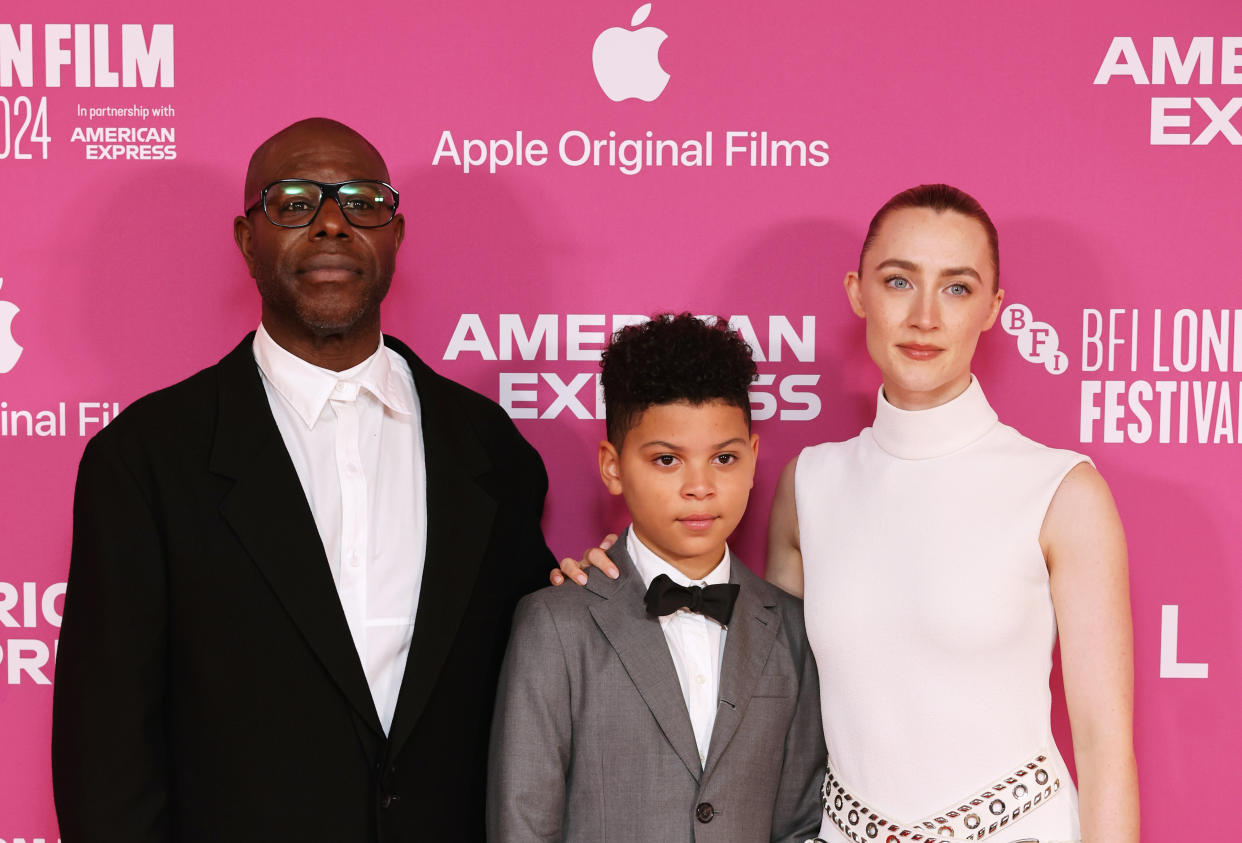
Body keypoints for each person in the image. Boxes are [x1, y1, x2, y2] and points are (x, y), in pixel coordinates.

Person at [557, 187, 1139, 843]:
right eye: (899, 281)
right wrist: (619, 576)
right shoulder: (812, 482)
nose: (924, 316)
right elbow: (757, 679)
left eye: (956, 288)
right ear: (859, 292)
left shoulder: (1061, 489)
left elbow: (1104, 748)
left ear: (993, 310)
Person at [52, 117, 555, 843]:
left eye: (362, 201)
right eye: (293, 202)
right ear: (245, 237)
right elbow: (105, 752)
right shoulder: (144, 459)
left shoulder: (490, 449)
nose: (330, 224)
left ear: (395, 234)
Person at [489, 313, 825, 842]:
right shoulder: (555, 624)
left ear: (754, 459)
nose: (700, 486)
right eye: (667, 460)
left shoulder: (794, 628)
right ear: (613, 467)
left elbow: (801, 822)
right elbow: (523, 824)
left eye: (724, 458)